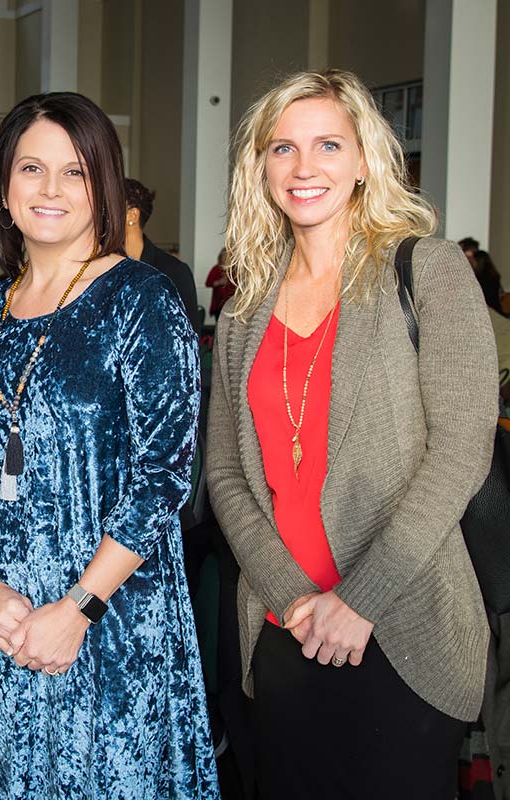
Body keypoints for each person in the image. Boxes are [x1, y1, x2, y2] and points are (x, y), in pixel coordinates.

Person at [206, 69, 497, 800]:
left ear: (365, 158)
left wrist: (357, 602)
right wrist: (297, 598)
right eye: (283, 149)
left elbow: (461, 448)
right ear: (260, 167)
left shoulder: (425, 271)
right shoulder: (244, 311)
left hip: (403, 628)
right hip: (283, 627)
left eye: (328, 145)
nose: (304, 168)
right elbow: (227, 475)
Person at [0, 92, 217, 799]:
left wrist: (78, 609)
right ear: (4, 186)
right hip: (3, 622)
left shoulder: (142, 300)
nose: (51, 189)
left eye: (75, 172)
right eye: (32, 168)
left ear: (106, 187)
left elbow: (164, 479)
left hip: (111, 624)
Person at [123, 178, 200, 332]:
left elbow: (189, 337)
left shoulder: (173, 272)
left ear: (132, 216)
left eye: (107, 207)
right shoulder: (98, 268)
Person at [205, 247, 237, 320]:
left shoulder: (234, 270)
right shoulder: (216, 269)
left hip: (232, 303)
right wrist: (219, 282)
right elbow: (208, 283)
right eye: (224, 256)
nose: (226, 258)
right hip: (219, 303)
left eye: (228, 256)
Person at [473, 249, 506, 314]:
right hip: (496, 310)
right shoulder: (494, 275)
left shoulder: (479, 278)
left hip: (486, 311)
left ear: (478, 261)